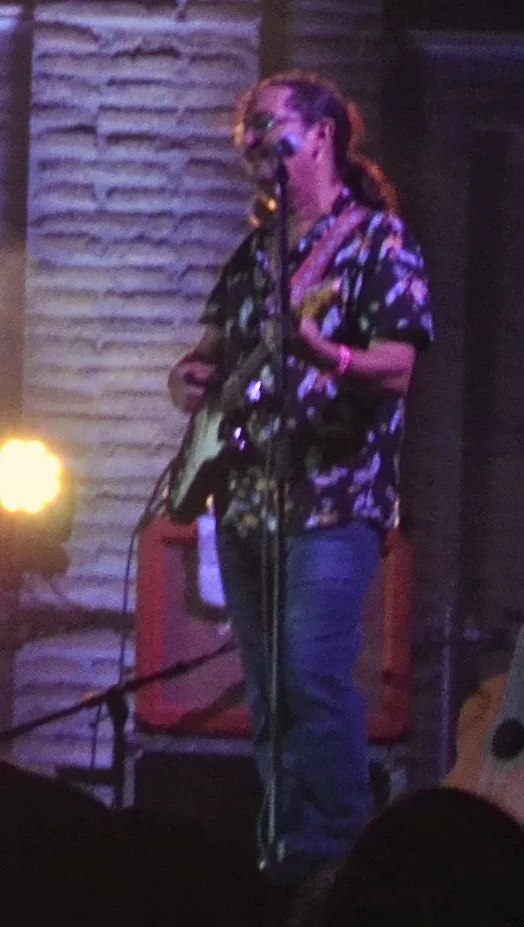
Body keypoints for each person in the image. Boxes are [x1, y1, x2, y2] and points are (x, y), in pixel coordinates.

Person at [167, 68, 431, 879]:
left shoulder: (378, 242)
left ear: (321, 134)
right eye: (247, 127)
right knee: (270, 693)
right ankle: (282, 852)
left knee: (315, 678)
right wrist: (190, 378)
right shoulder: (256, 254)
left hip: (333, 499)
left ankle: (336, 863)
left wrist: (328, 354)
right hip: (246, 500)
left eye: (269, 123)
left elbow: (398, 367)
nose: (253, 139)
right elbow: (207, 354)